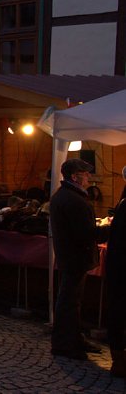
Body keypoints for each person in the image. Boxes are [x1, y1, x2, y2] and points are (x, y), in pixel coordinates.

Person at [50, 158, 104, 360]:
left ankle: (73, 338)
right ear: (75, 176)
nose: (89, 177)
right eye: (86, 173)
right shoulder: (73, 200)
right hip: (74, 257)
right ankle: (65, 344)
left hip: (70, 257)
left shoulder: (66, 196)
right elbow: (86, 233)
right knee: (69, 302)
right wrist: (112, 229)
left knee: (71, 301)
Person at [106, 168, 126, 376]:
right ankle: (119, 361)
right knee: (119, 313)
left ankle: (118, 360)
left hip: (118, 268)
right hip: (121, 269)